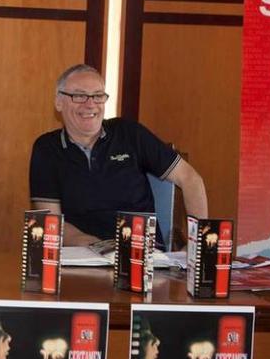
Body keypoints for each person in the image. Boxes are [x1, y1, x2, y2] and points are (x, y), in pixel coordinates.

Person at [29, 64, 207, 246]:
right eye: (79, 95)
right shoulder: (47, 149)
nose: (90, 104)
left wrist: (195, 244)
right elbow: (53, 224)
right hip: (84, 258)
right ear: (59, 102)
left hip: (143, 257)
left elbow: (191, 179)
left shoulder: (130, 134)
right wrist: (102, 248)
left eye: (98, 96)